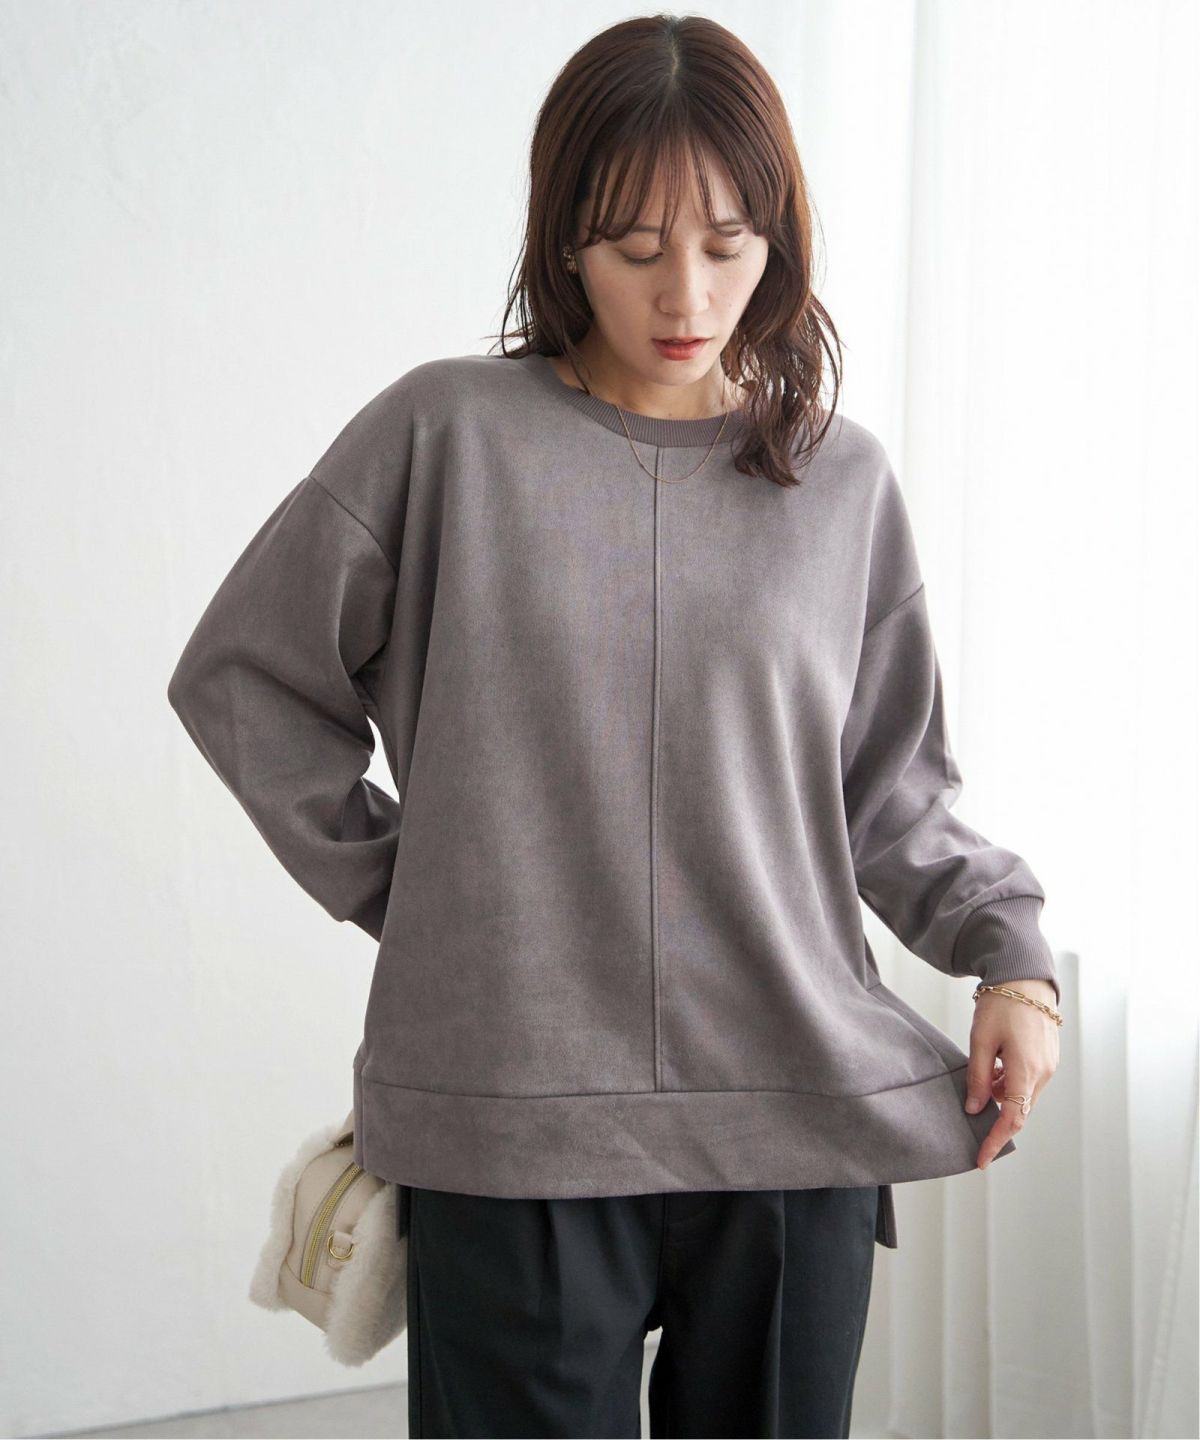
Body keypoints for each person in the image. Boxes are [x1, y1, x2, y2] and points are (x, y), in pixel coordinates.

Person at [167, 13, 1062, 1438]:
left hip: (792, 1128)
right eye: (636, 247)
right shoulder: (444, 434)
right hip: (512, 1123)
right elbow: (245, 676)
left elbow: (890, 795)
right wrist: (420, 888)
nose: (686, 291)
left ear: (779, 239)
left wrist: (1011, 959)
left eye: (727, 242)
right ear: (564, 239)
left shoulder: (841, 486)